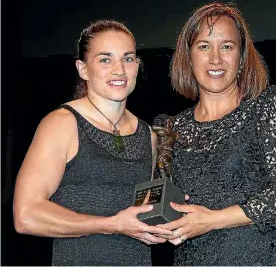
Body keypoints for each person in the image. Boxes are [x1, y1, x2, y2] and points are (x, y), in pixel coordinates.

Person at [155, 2, 276, 266]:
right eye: (204, 46)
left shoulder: (268, 107)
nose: (215, 59)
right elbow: (162, 208)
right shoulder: (171, 129)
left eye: (227, 46)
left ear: (241, 56)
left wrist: (212, 220)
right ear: (188, 56)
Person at [13, 20, 173, 266]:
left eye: (128, 59)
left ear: (137, 65)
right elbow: (26, 216)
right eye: (105, 59)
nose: (119, 70)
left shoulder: (148, 135)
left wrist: (165, 224)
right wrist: (111, 225)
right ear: (83, 69)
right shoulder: (62, 123)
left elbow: (141, 218)